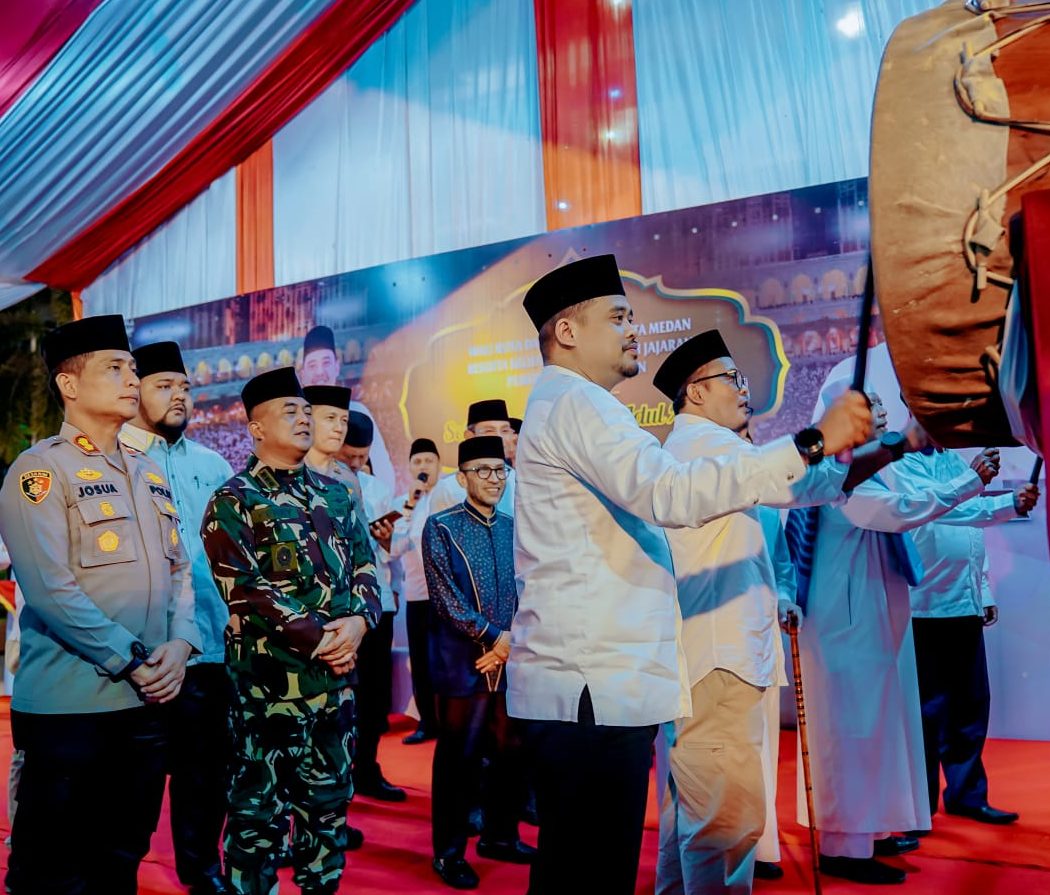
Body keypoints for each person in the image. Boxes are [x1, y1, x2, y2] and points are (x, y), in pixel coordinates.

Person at [508, 254, 872, 895]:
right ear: (567, 332)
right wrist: (812, 440)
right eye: (618, 318)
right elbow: (671, 493)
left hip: (602, 682)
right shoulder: (579, 402)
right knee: (593, 871)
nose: (632, 332)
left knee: (588, 866)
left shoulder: (571, 405)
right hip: (592, 686)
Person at [0, 315, 201, 895]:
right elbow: (49, 590)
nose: (131, 379)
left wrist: (182, 645)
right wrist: (134, 658)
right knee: (53, 871)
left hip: (146, 704)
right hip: (70, 709)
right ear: (69, 385)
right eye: (114, 368)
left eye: (132, 368)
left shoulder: (149, 473)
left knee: (121, 857)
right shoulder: (40, 470)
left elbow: (181, 570)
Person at [652, 330, 857, 895]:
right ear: (695, 392)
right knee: (726, 823)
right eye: (732, 380)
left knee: (691, 817)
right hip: (719, 661)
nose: (745, 391)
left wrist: (881, 450)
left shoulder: (709, 451)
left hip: (713, 660)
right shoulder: (704, 451)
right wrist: (828, 438)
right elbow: (795, 482)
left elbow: (809, 485)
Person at [796, 389, 997, 886]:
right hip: (846, 622)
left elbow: (913, 508)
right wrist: (969, 481)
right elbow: (893, 511)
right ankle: (845, 845)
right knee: (853, 732)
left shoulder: (870, 469)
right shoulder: (833, 473)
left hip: (874, 617)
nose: (883, 417)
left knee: (883, 728)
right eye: (871, 410)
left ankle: (875, 833)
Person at [201, 367, 382, 895]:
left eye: (308, 412)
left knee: (328, 819)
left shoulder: (338, 495)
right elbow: (246, 590)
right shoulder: (234, 501)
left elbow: (367, 567)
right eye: (291, 411)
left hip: (334, 695)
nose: (304, 419)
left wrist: (358, 622)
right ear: (255, 428)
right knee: (257, 825)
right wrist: (323, 640)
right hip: (266, 698)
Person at [121, 340, 234, 895]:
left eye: (185, 387)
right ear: (134, 389)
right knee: (132, 784)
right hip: (137, 658)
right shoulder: (114, 459)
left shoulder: (213, 466)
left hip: (209, 649)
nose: (180, 396)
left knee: (205, 776)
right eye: (165, 385)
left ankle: (202, 872)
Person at [883, 446, 1040, 826]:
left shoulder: (952, 460)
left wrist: (982, 589)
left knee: (970, 706)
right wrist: (1001, 500)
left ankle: (967, 794)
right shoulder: (899, 464)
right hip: (922, 605)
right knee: (926, 712)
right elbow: (941, 509)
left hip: (963, 601)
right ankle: (918, 808)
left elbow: (972, 527)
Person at [423, 436, 535, 888]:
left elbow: (530, 588)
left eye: (501, 470)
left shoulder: (514, 526)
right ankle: (448, 854)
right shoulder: (442, 526)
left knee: (512, 752)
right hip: (463, 663)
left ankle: (500, 837)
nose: (494, 478)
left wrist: (510, 643)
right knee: (459, 759)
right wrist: (493, 638)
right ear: (462, 476)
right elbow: (445, 599)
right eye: (484, 470)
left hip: (510, 663)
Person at [338, 408, 407, 801]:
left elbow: (398, 550)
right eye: (348, 458)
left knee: (374, 695)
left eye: (362, 458)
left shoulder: (379, 490)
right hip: (338, 609)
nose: (355, 465)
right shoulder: (318, 485)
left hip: (378, 604)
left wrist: (387, 541)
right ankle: (336, 777)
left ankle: (367, 768)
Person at [390, 437, 443, 744]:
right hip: (417, 595)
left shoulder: (451, 496)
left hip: (447, 596)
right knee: (421, 662)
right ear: (409, 467)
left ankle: (454, 723)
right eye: (418, 461)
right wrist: (409, 507)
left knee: (448, 660)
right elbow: (393, 549)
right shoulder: (401, 503)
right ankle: (427, 723)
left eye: (429, 461)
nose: (423, 467)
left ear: (439, 464)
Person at [299, 324, 396, 490]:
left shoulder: (358, 411)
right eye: (312, 365)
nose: (320, 372)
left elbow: (384, 475)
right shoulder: (297, 420)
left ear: (337, 367)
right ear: (302, 374)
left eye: (326, 362)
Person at [427, 400, 516, 516]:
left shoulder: (519, 480)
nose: (500, 438)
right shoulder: (448, 489)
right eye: (489, 430)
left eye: (505, 431)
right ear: (469, 436)